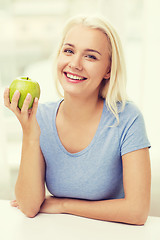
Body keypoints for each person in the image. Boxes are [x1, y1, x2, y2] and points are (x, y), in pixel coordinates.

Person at [4, 15, 151, 225]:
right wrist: (29, 134)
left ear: (108, 70)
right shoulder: (41, 117)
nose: (74, 64)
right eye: (69, 51)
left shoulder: (127, 118)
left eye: (90, 56)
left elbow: (137, 212)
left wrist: (63, 205)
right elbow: (28, 206)